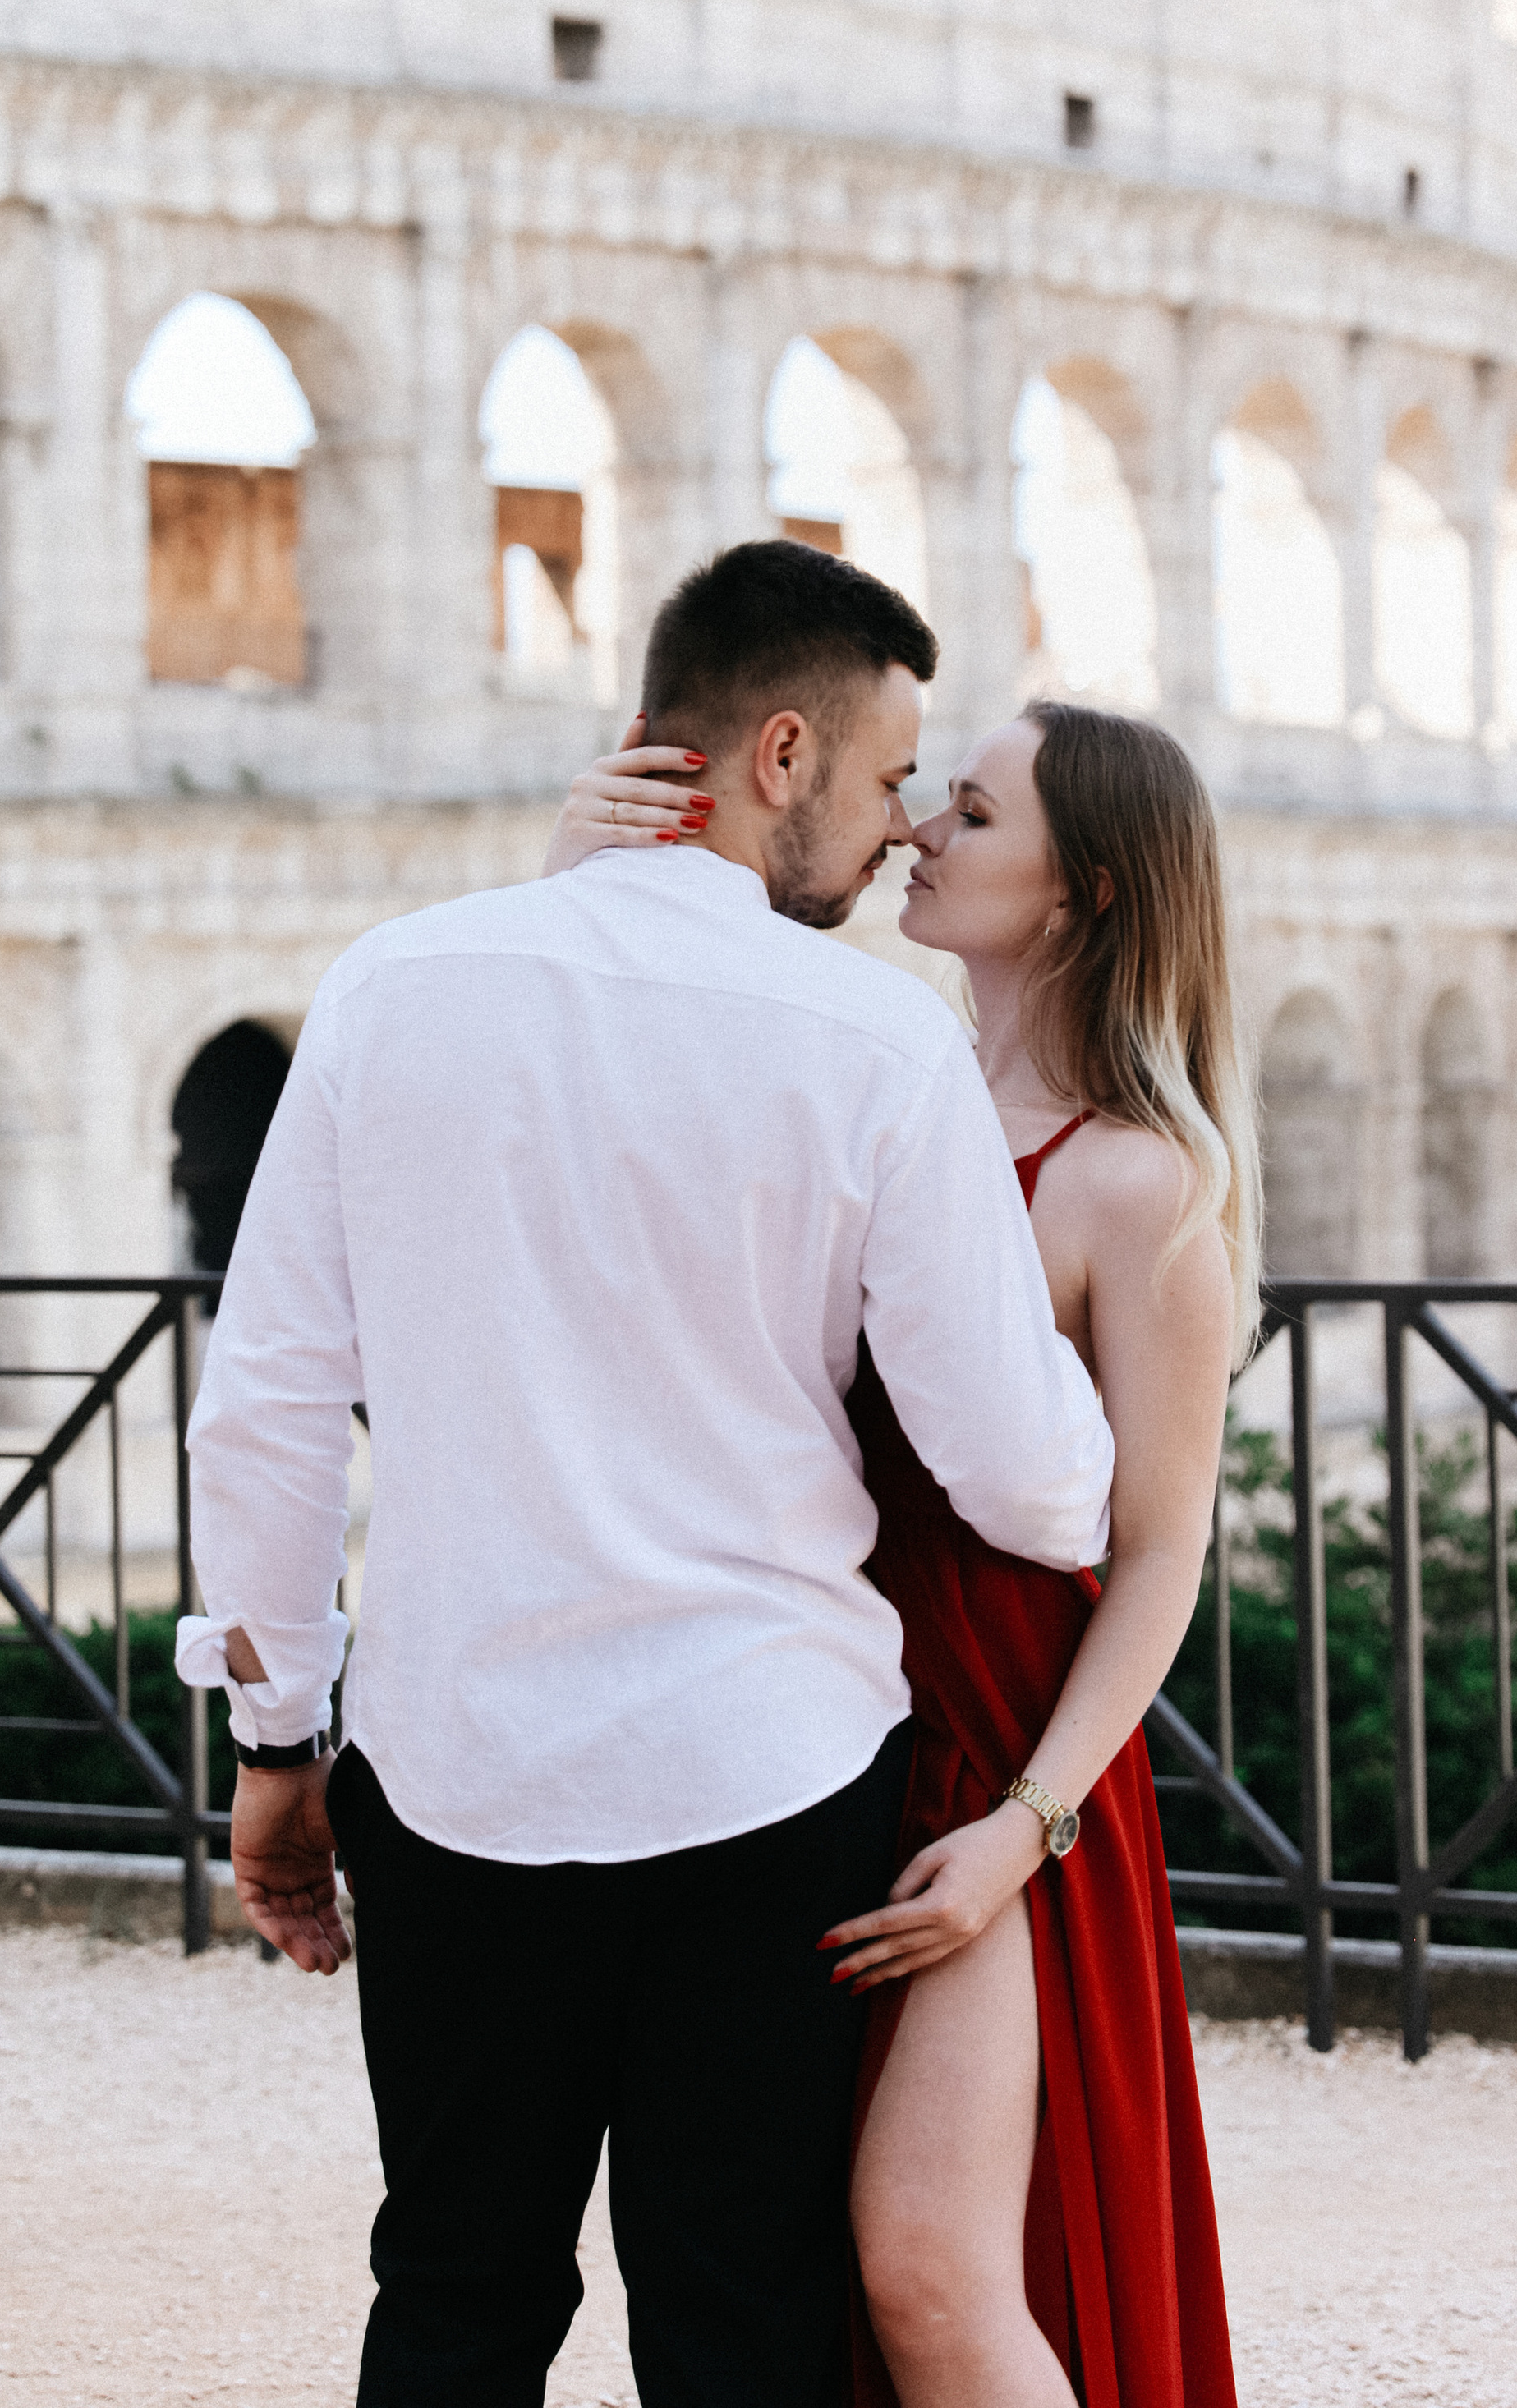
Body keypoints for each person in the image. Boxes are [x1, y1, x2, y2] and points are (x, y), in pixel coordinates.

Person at [172, 540, 1116, 2408]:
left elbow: (267, 1401)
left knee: (451, 2287)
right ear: (778, 755)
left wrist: (275, 1751)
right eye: (877, 781)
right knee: (739, 2314)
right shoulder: (874, 1046)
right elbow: (1026, 1481)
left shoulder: (391, 985)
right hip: (766, 1777)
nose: (894, 828)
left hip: (454, 1768)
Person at [553, 691, 1253, 2405]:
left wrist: (1027, 1825)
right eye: (930, 797)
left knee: (929, 2269)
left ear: (1085, 889)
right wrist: (577, 873)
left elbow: (1158, 1553)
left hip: (996, 1759)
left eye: (977, 814)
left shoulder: (1138, 1186)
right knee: (781, 2263)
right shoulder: (869, 1070)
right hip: (793, 1719)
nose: (922, 827)